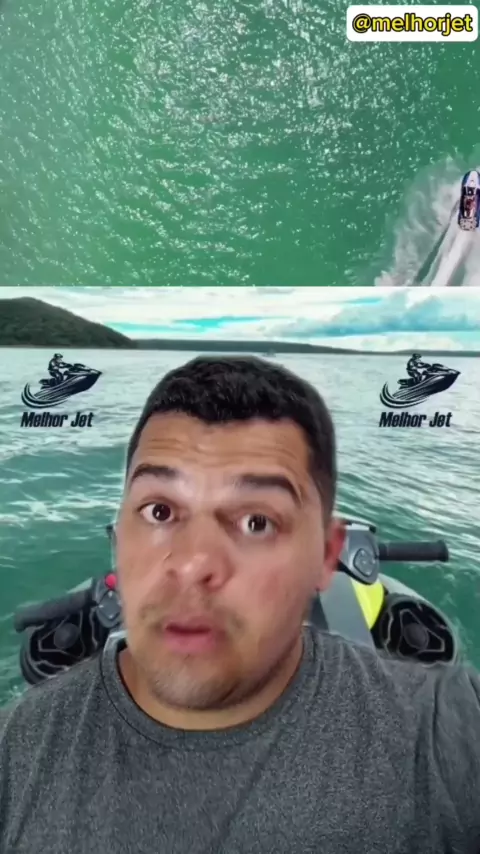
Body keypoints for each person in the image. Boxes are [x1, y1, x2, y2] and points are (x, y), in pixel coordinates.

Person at [1, 355, 480, 854]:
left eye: (257, 522)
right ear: (118, 538)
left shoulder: (443, 733)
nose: (192, 563)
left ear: (325, 555)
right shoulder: (15, 755)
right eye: (160, 510)